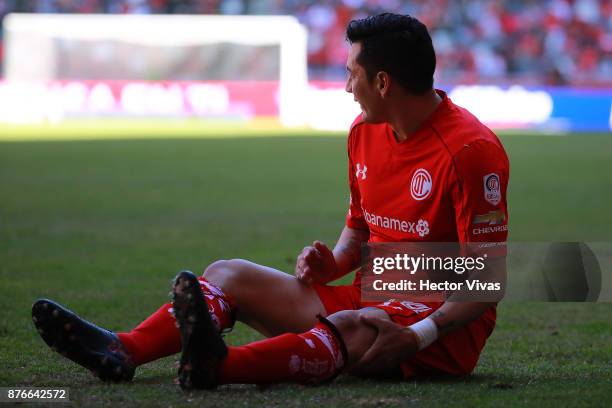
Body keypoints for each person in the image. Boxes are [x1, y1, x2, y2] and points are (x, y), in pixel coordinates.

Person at [32, 13, 509, 388]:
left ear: (382, 82)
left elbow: (485, 284)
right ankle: (123, 350)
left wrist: (418, 334)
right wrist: (332, 263)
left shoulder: (471, 151)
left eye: (352, 75)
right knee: (226, 274)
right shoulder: (365, 132)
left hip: (439, 323)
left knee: (351, 324)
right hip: (369, 294)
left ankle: (221, 366)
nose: (346, 87)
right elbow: (359, 230)